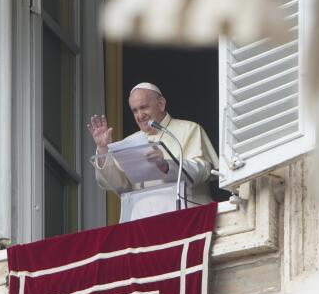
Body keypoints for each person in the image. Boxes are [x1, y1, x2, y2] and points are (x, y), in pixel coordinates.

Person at [86, 82, 219, 221]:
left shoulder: (189, 129)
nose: (140, 115)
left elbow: (203, 170)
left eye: (143, 107)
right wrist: (103, 149)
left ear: (161, 104)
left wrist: (167, 166)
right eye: (135, 110)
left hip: (186, 215)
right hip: (141, 221)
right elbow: (118, 184)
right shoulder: (129, 142)